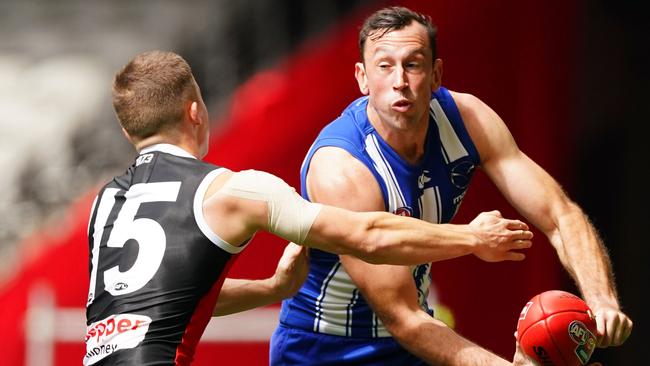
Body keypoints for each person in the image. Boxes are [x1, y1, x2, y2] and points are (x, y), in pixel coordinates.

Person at [83, 50, 535, 366]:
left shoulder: (105, 205)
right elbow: (367, 236)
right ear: (196, 111)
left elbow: (167, 302)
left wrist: (273, 287)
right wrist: (472, 237)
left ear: (129, 133)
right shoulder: (231, 191)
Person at [270, 6, 634, 366]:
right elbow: (402, 318)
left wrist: (601, 300)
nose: (400, 80)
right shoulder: (342, 167)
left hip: (412, 334)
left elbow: (560, 213)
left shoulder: (467, 119)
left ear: (436, 74)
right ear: (363, 78)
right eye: (385, 66)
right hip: (324, 350)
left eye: (413, 64)